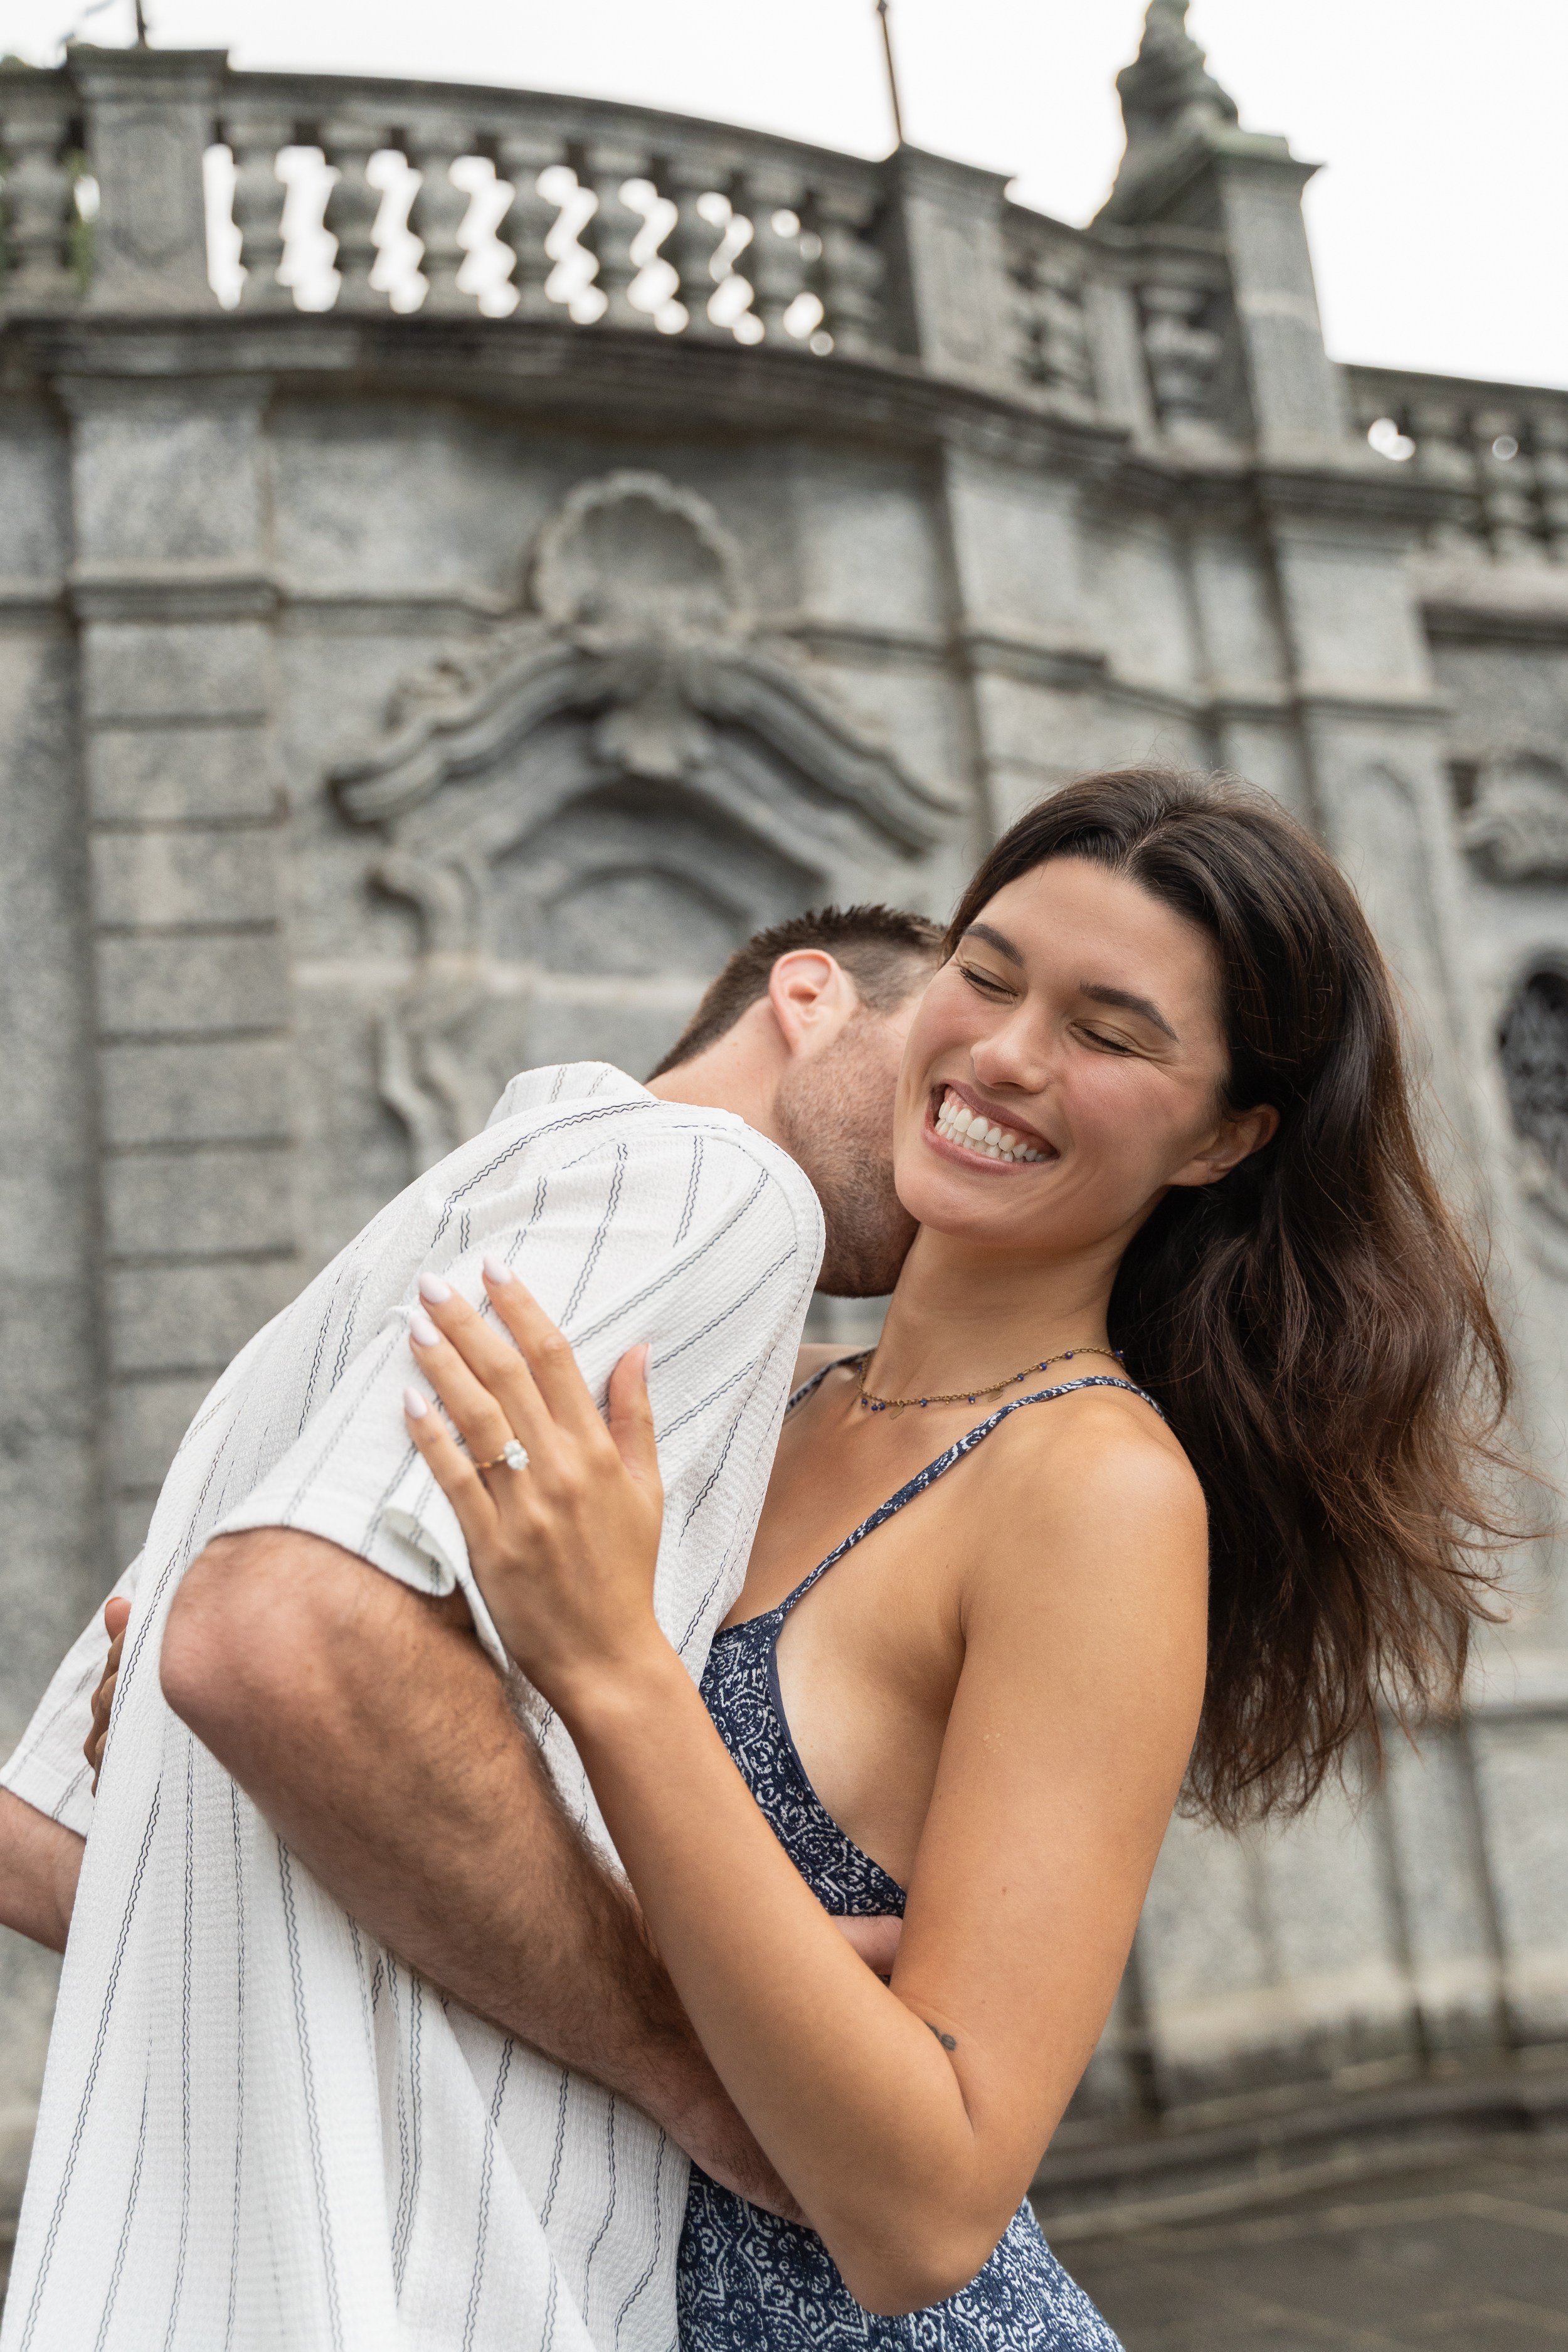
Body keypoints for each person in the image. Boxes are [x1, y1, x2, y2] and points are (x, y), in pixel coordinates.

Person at [396, 767, 1515, 2348]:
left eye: (1107, 1033)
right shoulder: (763, 1397)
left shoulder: (1093, 1493)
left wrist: (611, 1674)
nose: (1001, 1054)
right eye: (986, 974)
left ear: (1221, 1140)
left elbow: (927, 2210)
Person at [0, 904, 941, 2352]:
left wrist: (210, 1809)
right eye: (934, 1065)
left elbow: (46, 1843)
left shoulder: (360, 1286)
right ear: (805, 995)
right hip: (442, 2282)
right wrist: (687, 2055)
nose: (961, 1133)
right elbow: (278, 1641)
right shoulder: (725, 1187)